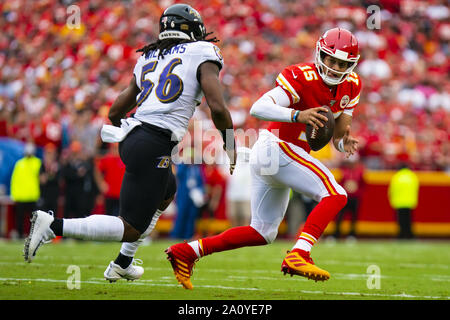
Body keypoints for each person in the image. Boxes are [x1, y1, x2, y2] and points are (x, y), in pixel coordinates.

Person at [23, 3, 236, 284]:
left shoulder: (150, 55)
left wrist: (134, 138)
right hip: (152, 141)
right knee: (131, 227)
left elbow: (114, 111)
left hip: (136, 137)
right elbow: (218, 108)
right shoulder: (203, 51)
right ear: (191, 30)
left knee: (166, 191)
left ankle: (122, 263)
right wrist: (230, 144)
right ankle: (52, 225)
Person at [166, 27, 362, 289]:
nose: (336, 67)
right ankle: (299, 253)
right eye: (331, 59)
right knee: (336, 194)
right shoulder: (301, 75)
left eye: (342, 63)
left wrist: (342, 141)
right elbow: (258, 107)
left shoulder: (352, 85)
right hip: (278, 147)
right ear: (320, 54)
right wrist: (297, 115)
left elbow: (336, 136)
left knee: (262, 232)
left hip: (283, 155)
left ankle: (188, 251)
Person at [10, 143, 42, 238]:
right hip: (22, 196)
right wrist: (14, 194)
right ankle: (20, 235)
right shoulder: (20, 163)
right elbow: (15, 180)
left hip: (33, 195)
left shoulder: (37, 162)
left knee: (34, 218)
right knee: (20, 218)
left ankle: (33, 235)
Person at [333, 154, 365, 239]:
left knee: (354, 217)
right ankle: (336, 234)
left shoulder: (359, 171)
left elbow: (363, 184)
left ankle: (352, 234)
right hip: (345, 197)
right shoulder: (344, 171)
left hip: (355, 197)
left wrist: (359, 194)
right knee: (340, 216)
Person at [388, 163, 419, 239]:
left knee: (401, 220)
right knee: (409, 220)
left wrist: (392, 200)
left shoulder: (396, 177)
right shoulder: (412, 176)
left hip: (398, 202)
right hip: (409, 201)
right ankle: (410, 235)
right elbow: (416, 189)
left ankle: (401, 234)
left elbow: (392, 190)